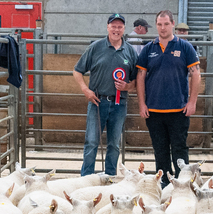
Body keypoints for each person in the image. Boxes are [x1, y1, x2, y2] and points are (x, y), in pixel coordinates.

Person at [137, 10, 201, 188]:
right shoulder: (148, 49)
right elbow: (140, 77)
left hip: (178, 110)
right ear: (156, 25)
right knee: (160, 150)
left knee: (179, 150)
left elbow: (196, 75)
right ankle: (164, 186)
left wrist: (192, 102)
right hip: (154, 111)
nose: (162, 27)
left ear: (173, 24)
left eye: (166, 24)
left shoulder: (185, 47)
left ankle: (182, 185)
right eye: (159, 24)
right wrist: (142, 104)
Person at [73, 13, 138, 177]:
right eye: (113, 26)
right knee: (92, 142)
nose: (116, 29)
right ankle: (86, 178)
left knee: (114, 144)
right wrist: (85, 90)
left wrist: (127, 86)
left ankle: (110, 177)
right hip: (97, 101)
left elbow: (137, 81)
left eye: (120, 26)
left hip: (119, 104)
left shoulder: (130, 51)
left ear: (124, 29)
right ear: (108, 27)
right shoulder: (96, 47)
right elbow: (77, 70)